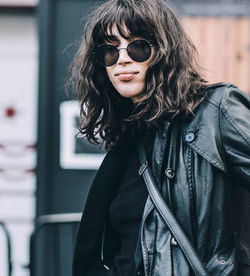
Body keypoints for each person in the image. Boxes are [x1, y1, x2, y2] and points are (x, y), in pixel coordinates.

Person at [70, 0, 250, 275]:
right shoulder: (128, 136)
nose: (122, 59)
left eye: (137, 46)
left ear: (164, 51)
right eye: (109, 50)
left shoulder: (217, 111)